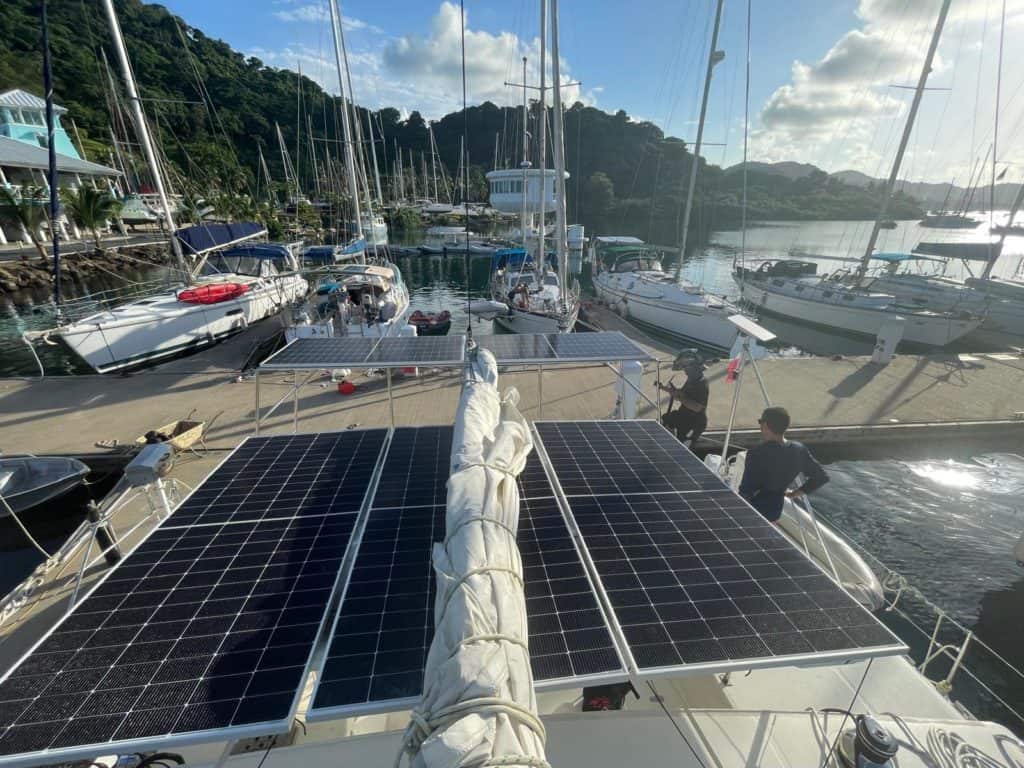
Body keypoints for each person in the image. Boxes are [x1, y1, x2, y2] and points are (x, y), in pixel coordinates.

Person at [739, 406, 829, 522]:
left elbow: (745, 492)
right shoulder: (799, 450)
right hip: (775, 511)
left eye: (760, 422)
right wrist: (794, 494)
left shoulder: (756, 454)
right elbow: (821, 477)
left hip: (753, 511)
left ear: (765, 425)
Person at [659, 357, 709, 447]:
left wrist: (680, 398)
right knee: (666, 419)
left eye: (686, 369)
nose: (685, 372)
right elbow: (682, 393)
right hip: (683, 415)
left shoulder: (702, 385)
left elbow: (697, 407)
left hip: (694, 423)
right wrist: (664, 388)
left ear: (695, 369)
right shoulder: (691, 380)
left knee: (683, 446)